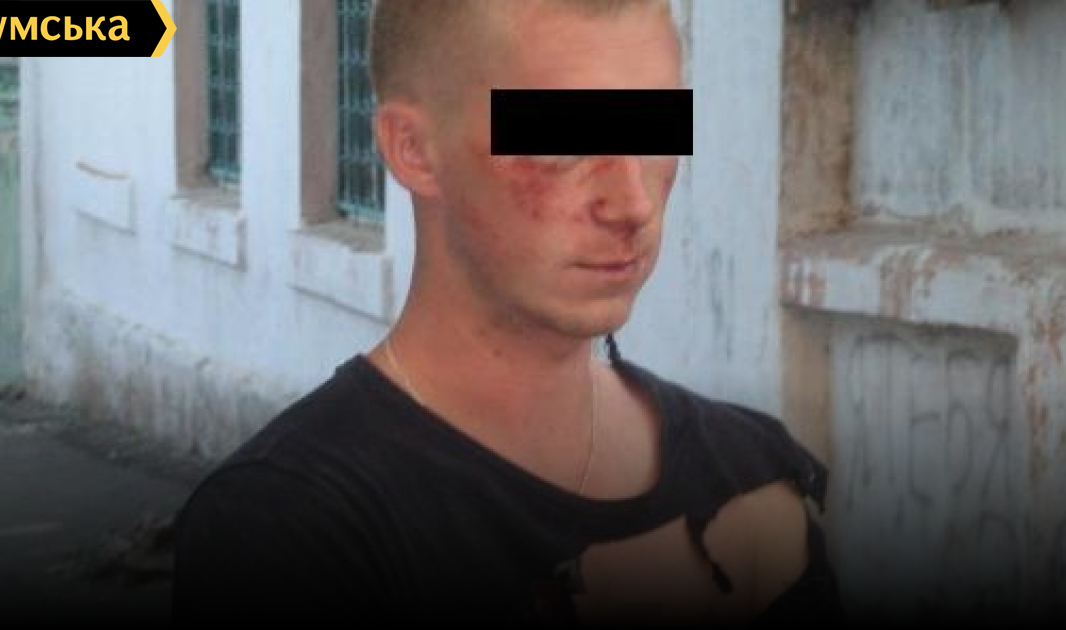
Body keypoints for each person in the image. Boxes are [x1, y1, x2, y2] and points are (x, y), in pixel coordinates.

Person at [171, 0, 846, 625]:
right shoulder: (291, 532)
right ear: (413, 149)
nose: (633, 204)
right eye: (563, 145)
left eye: (656, 133)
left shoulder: (753, 472)